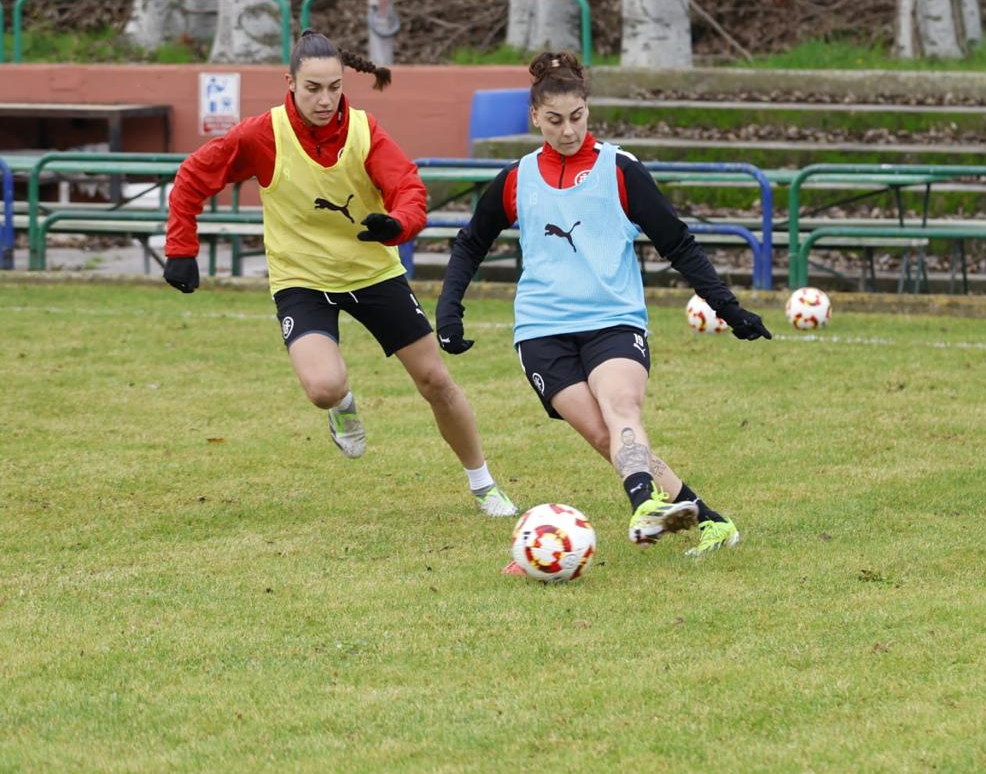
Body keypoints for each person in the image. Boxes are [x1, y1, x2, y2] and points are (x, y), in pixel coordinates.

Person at [162, 31, 517, 517]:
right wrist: (182, 247)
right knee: (324, 387)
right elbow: (192, 177)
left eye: (334, 87)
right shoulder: (261, 135)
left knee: (435, 380)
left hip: (372, 274)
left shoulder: (366, 131)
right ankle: (343, 407)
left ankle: (484, 485)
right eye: (313, 88)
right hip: (302, 279)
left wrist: (398, 225)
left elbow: (408, 187)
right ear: (289, 83)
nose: (325, 99)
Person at [435, 51, 769, 565]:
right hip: (542, 332)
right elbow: (470, 243)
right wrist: (449, 310)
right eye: (554, 120)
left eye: (576, 118)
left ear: (587, 109)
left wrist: (729, 308)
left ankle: (643, 505)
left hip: (613, 320)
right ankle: (712, 523)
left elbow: (678, 243)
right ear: (535, 118)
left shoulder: (620, 170)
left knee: (621, 411)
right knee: (601, 435)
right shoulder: (514, 179)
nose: (567, 131)